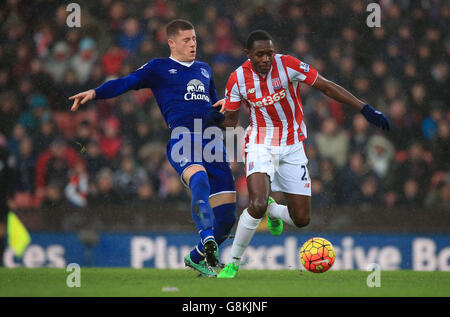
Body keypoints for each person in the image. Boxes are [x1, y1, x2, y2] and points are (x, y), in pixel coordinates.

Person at [69, 19, 236, 277]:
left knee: (226, 218)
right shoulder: (159, 67)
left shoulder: (204, 69)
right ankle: (206, 238)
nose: (193, 44)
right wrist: (95, 92)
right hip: (184, 139)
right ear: (171, 43)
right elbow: (126, 82)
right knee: (199, 180)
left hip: (213, 142)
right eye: (186, 40)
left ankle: (196, 257)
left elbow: (215, 110)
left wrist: (225, 107)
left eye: (194, 39)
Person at [216, 30, 390, 278]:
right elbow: (231, 122)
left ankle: (274, 210)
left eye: (269, 53)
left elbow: (326, 87)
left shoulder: (288, 64)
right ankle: (232, 263)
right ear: (248, 55)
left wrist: (363, 107)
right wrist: (219, 120)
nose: (266, 59)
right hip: (259, 142)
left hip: (293, 145)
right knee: (255, 204)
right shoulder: (237, 79)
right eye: (260, 54)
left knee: (301, 219)